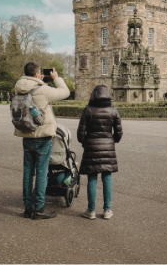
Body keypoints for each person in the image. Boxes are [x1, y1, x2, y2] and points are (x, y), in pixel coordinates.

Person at [14, 62, 70, 220]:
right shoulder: (43, 90)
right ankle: (39, 209)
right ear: (37, 74)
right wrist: (56, 78)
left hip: (26, 135)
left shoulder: (19, 87)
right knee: (41, 173)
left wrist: (40, 80)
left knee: (27, 173)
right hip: (42, 137)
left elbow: (31, 90)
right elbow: (65, 92)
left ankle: (27, 208)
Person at [77, 85, 122, 220]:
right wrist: (112, 141)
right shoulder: (113, 110)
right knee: (107, 178)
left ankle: (91, 210)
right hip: (108, 147)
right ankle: (107, 210)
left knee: (92, 179)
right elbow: (119, 132)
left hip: (91, 146)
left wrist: (85, 142)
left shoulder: (87, 110)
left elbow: (80, 132)